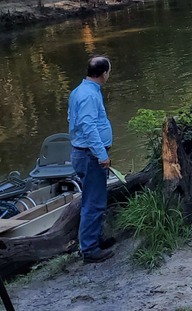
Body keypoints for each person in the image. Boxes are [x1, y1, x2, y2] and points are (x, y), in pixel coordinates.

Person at [68, 56, 116, 263]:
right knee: (93, 202)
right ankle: (89, 249)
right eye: (109, 71)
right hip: (90, 155)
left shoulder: (81, 90)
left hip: (84, 153)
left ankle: (95, 239)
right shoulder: (88, 95)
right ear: (104, 73)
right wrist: (101, 154)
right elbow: (88, 126)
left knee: (93, 199)